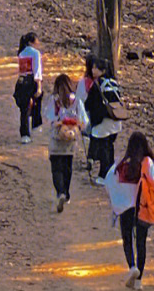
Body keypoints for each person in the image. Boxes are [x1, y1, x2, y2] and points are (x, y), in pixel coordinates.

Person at [104, 131, 154, 287]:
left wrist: (117, 202)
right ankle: (138, 279)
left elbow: (109, 182)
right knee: (141, 243)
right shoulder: (147, 163)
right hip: (142, 207)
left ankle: (132, 266)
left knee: (127, 238)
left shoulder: (122, 164)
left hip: (125, 208)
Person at [43, 73, 88, 211]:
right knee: (67, 167)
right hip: (71, 140)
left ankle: (60, 192)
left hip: (57, 139)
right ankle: (67, 194)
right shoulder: (76, 101)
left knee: (56, 168)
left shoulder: (54, 100)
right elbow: (84, 121)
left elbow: (48, 118)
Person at [84, 62, 123, 179]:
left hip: (102, 122)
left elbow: (89, 103)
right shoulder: (114, 83)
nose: (93, 69)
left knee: (103, 149)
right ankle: (110, 174)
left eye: (96, 67)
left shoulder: (98, 84)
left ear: (103, 70)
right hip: (115, 118)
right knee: (109, 147)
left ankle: (103, 175)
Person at [13, 31, 43, 142]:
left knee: (24, 109)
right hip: (31, 80)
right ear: (31, 42)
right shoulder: (35, 53)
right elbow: (37, 70)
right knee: (38, 98)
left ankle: (24, 134)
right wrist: (39, 85)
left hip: (21, 81)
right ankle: (36, 123)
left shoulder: (21, 53)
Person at [76, 54, 98, 178]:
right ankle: (92, 157)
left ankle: (90, 157)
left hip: (86, 111)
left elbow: (79, 99)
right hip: (94, 112)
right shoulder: (99, 82)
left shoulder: (82, 82)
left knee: (91, 135)